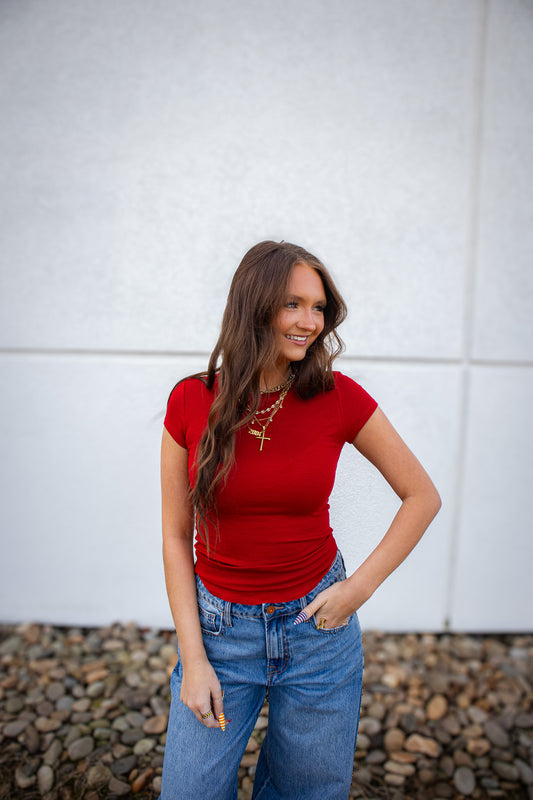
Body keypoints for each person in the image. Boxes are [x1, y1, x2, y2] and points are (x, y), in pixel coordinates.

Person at [159, 240, 441, 800]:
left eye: (318, 307)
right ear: (254, 304)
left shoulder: (338, 397)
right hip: (220, 633)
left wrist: (354, 591)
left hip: (318, 630)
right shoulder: (192, 400)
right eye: (293, 304)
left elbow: (421, 496)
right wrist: (193, 658)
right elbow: (174, 536)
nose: (309, 322)